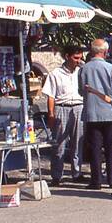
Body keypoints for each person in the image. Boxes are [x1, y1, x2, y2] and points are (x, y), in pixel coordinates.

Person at [79, 38, 112, 191]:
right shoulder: (111, 68)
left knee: (95, 147)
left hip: (91, 112)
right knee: (111, 147)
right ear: (105, 52)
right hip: (110, 112)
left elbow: (80, 90)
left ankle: (96, 180)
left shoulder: (84, 69)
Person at [43, 44, 85, 187]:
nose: (78, 61)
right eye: (75, 58)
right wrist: (51, 114)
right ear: (67, 57)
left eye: (80, 58)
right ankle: (56, 175)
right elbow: (50, 95)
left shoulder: (81, 72)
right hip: (62, 107)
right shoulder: (55, 74)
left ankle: (77, 173)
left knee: (78, 142)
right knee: (59, 143)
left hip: (79, 107)